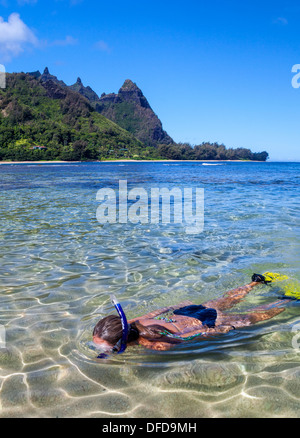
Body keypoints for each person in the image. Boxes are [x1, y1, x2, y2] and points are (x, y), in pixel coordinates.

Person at [93, 273, 289, 355]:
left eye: (107, 348)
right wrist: (175, 306)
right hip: (185, 310)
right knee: (228, 299)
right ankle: (255, 282)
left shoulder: (156, 345)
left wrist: (219, 330)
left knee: (250, 318)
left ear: (121, 345)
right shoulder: (134, 322)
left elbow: (189, 336)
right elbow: (157, 311)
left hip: (204, 321)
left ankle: (287, 300)